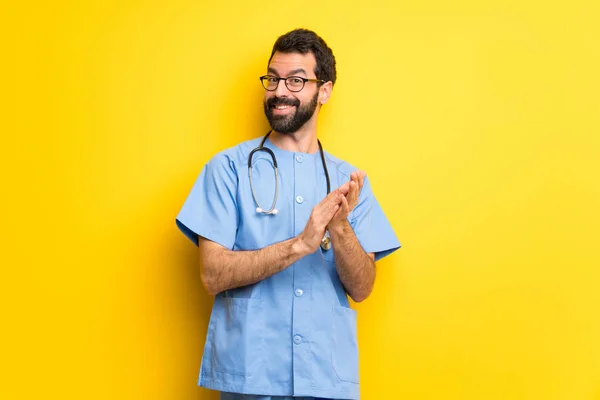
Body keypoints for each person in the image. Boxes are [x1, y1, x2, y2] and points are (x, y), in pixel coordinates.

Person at [176, 28, 401, 400]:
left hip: (324, 379)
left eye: (296, 81)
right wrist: (299, 245)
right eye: (273, 79)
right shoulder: (228, 168)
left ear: (323, 91)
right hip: (251, 378)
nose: (280, 91)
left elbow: (362, 288)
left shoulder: (349, 182)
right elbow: (212, 273)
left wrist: (340, 227)